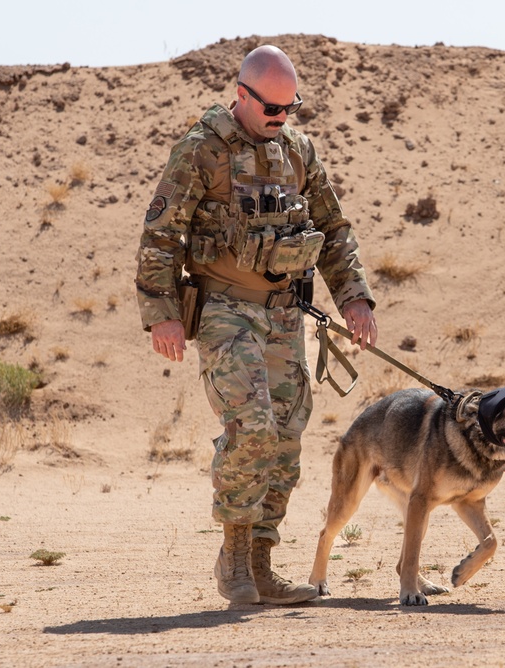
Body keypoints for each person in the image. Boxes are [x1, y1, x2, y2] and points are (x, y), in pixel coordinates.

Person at [134, 45, 377, 605]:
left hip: (286, 313)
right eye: (272, 108)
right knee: (254, 427)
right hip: (224, 309)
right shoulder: (202, 150)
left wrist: (355, 299)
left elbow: (333, 227)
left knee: (287, 438)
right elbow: (161, 235)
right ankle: (235, 561)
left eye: (291, 108)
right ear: (242, 95)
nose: (282, 118)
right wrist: (163, 315)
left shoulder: (298, 150)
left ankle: (263, 564)